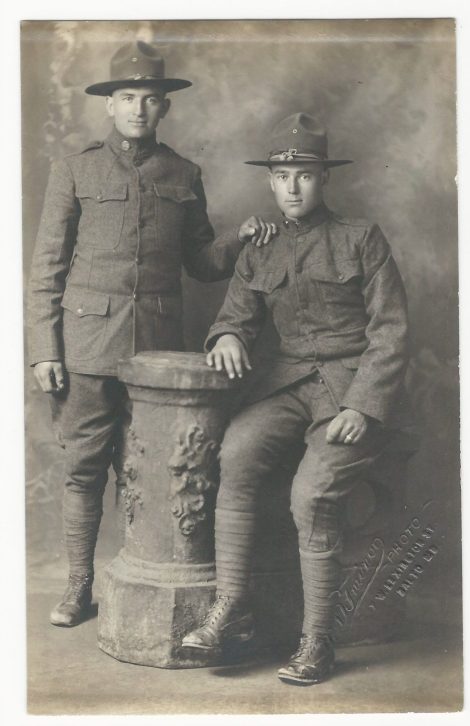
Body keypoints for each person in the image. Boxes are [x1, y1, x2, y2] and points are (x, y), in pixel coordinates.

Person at [27, 40, 277, 628]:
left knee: (149, 470)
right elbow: (47, 268)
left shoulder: (183, 173)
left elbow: (201, 263)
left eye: (149, 99)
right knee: (85, 469)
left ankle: (136, 584)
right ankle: (79, 586)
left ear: (165, 107)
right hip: (88, 348)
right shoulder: (76, 169)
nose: (138, 108)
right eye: (127, 97)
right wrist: (43, 349)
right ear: (109, 105)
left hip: (159, 355)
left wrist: (240, 240)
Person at [182, 112, 411, 685]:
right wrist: (228, 336)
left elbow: (390, 331)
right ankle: (230, 608)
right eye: (282, 176)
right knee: (235, 452)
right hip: (286, 386)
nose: (292, 187)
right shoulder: (259, 246)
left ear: (323, 178)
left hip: (351, 391)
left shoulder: (361, 238)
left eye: (304, 175)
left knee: (311, 495)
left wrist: (363, 405)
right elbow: (235, 315)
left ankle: (317, 641)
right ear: (270, 180)